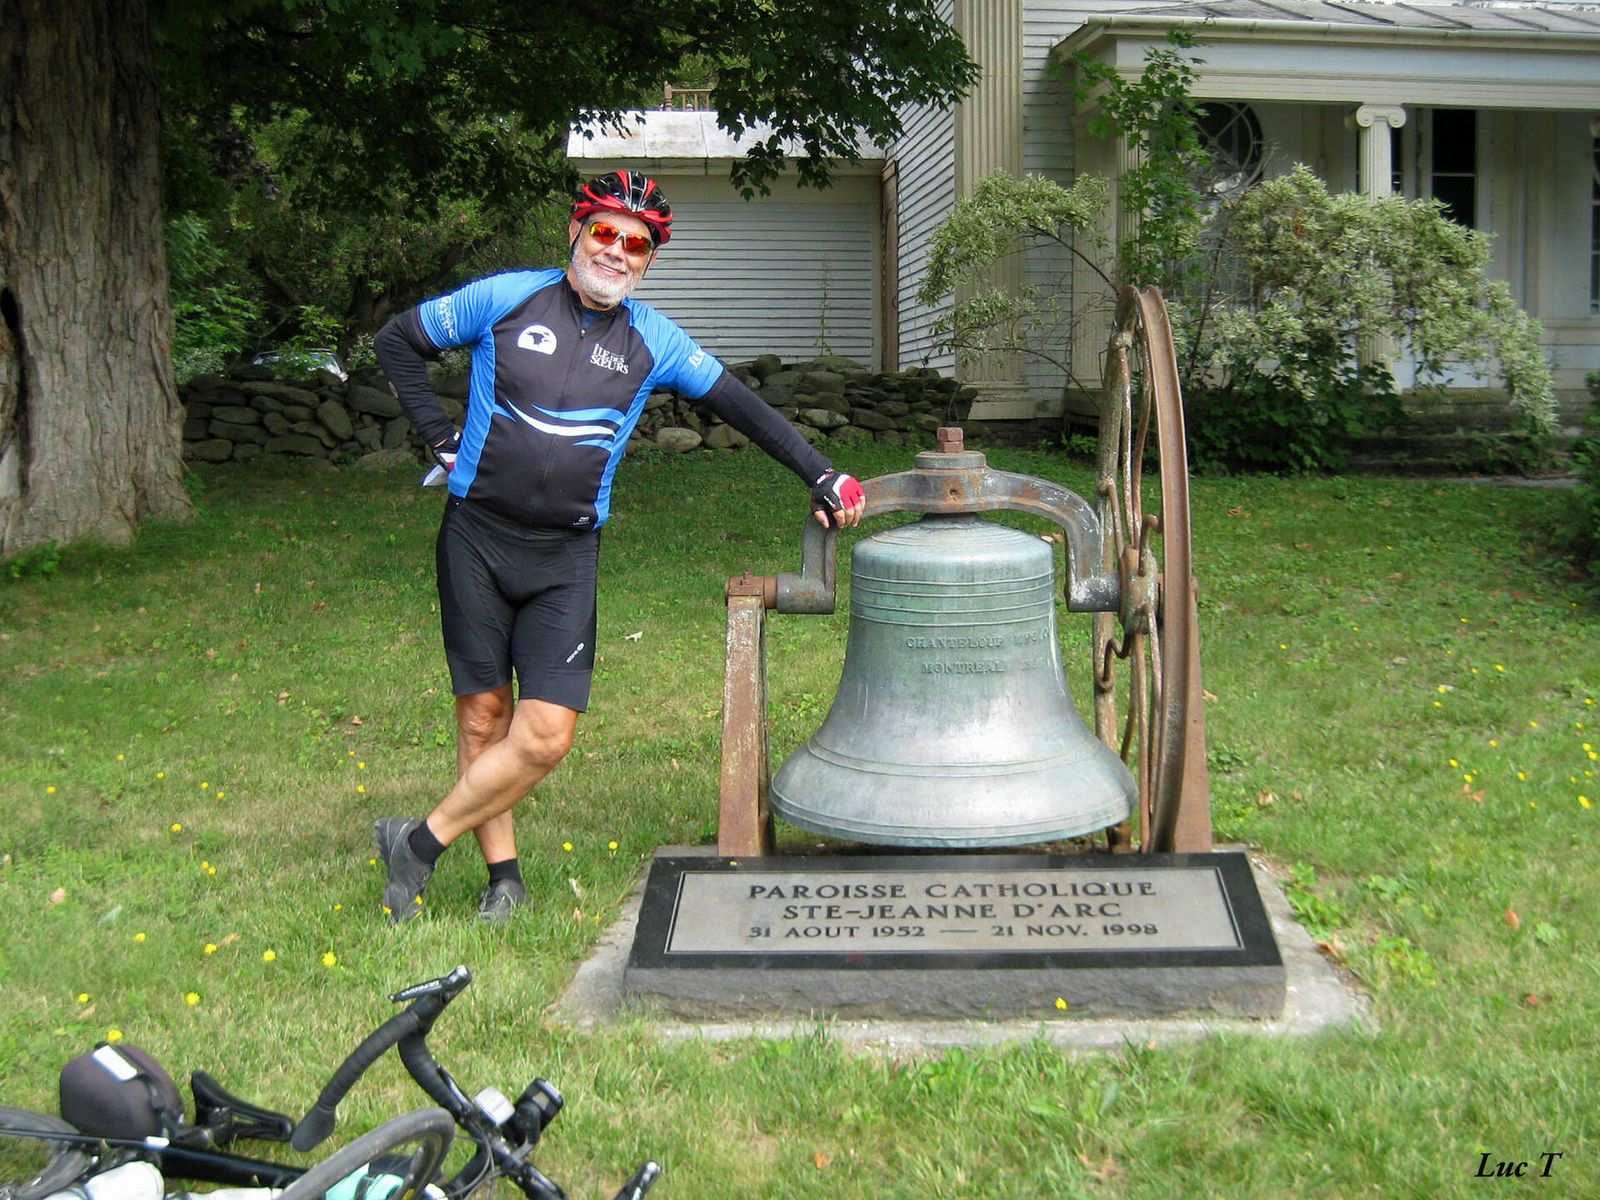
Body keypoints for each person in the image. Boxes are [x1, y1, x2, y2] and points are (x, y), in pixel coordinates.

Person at [370, 170, 866, 924]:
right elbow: (397, 341)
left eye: (637, 244)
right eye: (605, 232)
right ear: (577, 232)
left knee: (546, 735)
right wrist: (439, 438)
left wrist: (821, 472)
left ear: (649, 261)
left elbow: (743, 406)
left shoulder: (653, 340)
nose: (617, 251)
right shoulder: (505, 298)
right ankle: (504, 878)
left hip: (564, 555)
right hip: (476, 537)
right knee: (482, 715)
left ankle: (417, 843)